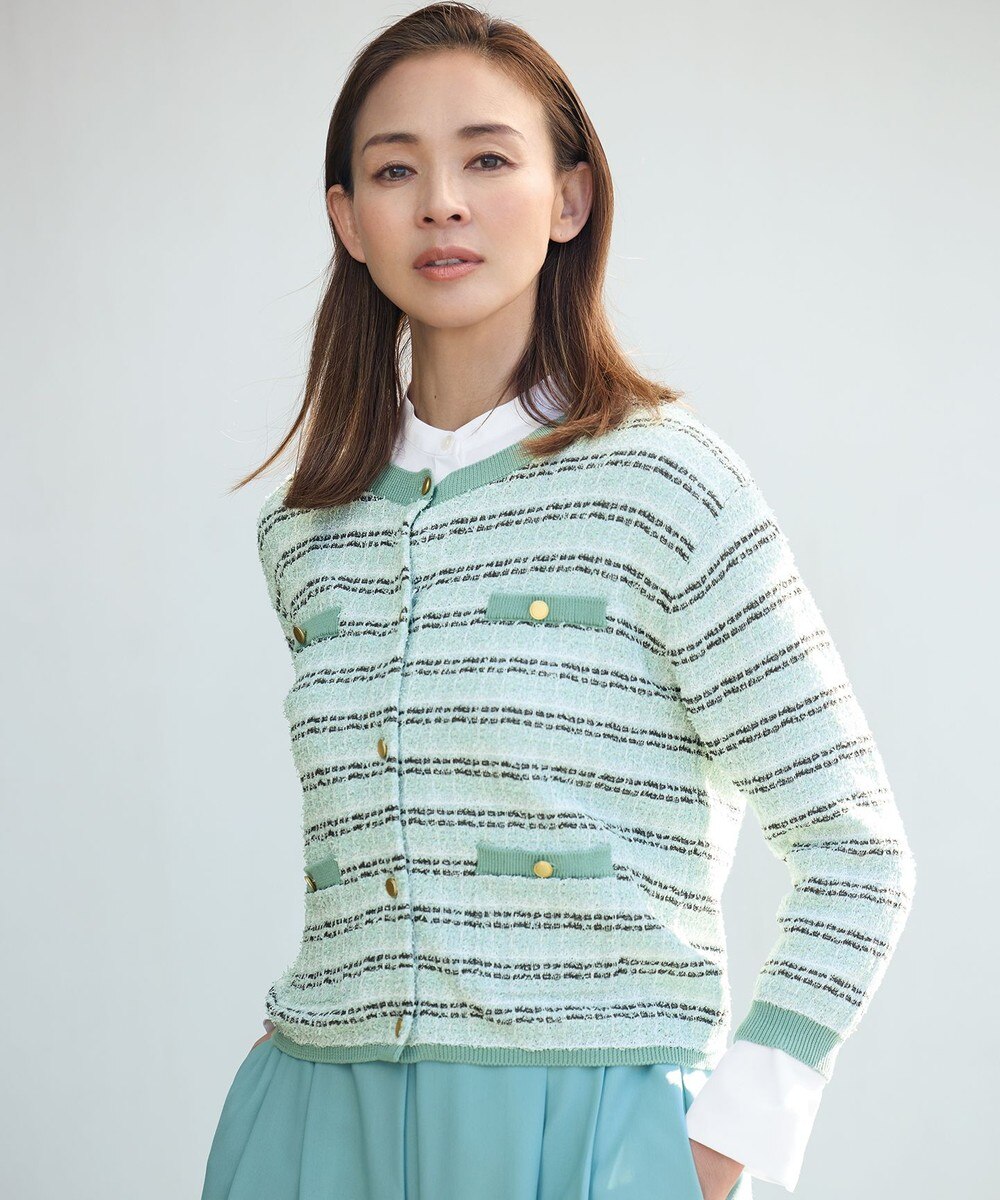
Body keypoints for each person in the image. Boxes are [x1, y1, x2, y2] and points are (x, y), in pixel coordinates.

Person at [200, 5, 916, 1198]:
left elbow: (854, 847)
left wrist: (723, 1142)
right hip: (314, 1121)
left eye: (487, 159)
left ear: (569, 199)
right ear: (348, 220)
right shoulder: (307, 528)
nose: (441, 203)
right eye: (394, 170)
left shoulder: (665, 485)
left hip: (585, 1131)